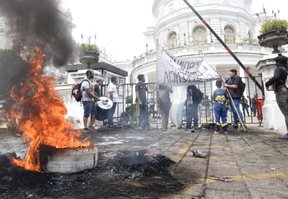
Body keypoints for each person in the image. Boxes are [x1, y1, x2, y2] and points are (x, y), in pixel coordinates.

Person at [265, 54, 288, 139]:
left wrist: (267, 83)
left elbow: (276, 77)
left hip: (282, 92)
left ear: (278, 62)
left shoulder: (279, 69)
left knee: (286, 113)